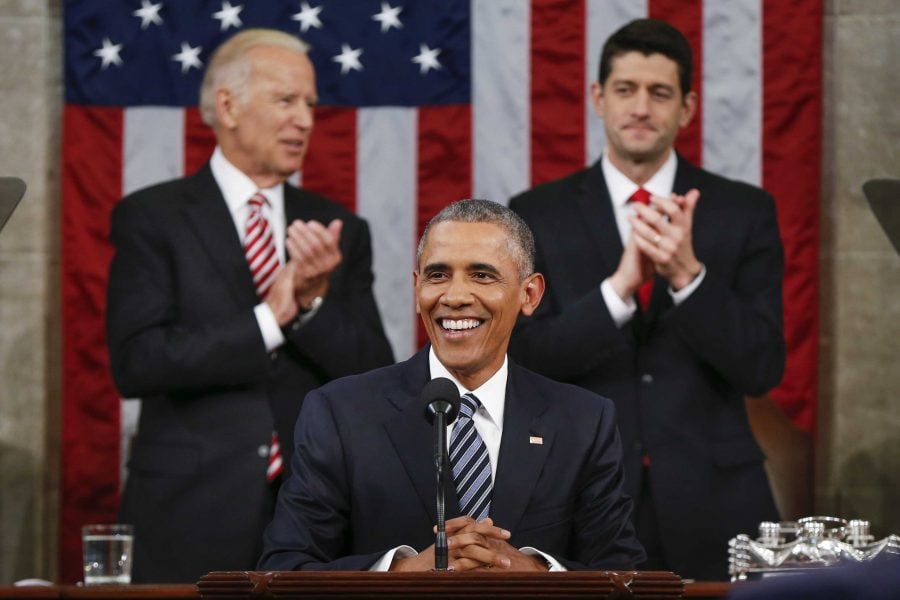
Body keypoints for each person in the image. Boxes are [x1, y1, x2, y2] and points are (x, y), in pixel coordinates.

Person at [105, 29, 394, 583]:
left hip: (315, 509)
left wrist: (311, 303)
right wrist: (271, 316)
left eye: (310, 104)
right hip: (189, 510)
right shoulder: (153, 217)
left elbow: (372, 371)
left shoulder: (339, 229)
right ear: (227, 106)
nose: (306, 121)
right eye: (286, 100)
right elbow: (138, 361)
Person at [508, 19, 784, 580]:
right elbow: (526, 361)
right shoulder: (537, 213)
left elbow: (762, 366)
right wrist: (618, 291)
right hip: (579, 500)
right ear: (597, 99)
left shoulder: (743, 211)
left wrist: (688, 276)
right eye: (625, 90)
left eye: (660, 93)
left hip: (717, 501)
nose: (640, 107)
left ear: (686, 108)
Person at [258, 199, 645, 572]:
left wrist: (539, 572)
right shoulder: (339, 413)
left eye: (482, 275)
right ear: (417, 289)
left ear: (529, 294)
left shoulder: (583, 420)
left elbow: (621, 574)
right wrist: (399, 572)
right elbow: (286, 568)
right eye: (438, 275)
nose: (455, 296)